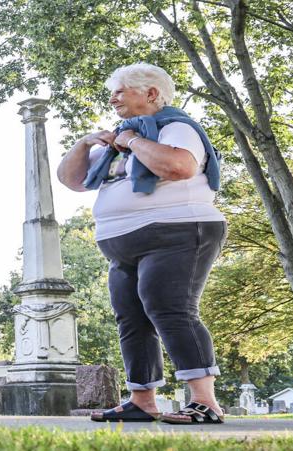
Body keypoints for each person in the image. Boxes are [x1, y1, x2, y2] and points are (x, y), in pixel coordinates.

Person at [57, 63, 228, 425]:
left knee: (170, 308)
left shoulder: (176, 128)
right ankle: (142, 400)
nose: (113, 97)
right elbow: (71, 180)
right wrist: (86, 142)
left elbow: (179, 166)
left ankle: (205, 402)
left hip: (178, 230)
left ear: (151, 94)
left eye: (121, 90)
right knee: (131, 317)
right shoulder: (116, 142)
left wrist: (133, 141)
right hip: (122, 245)